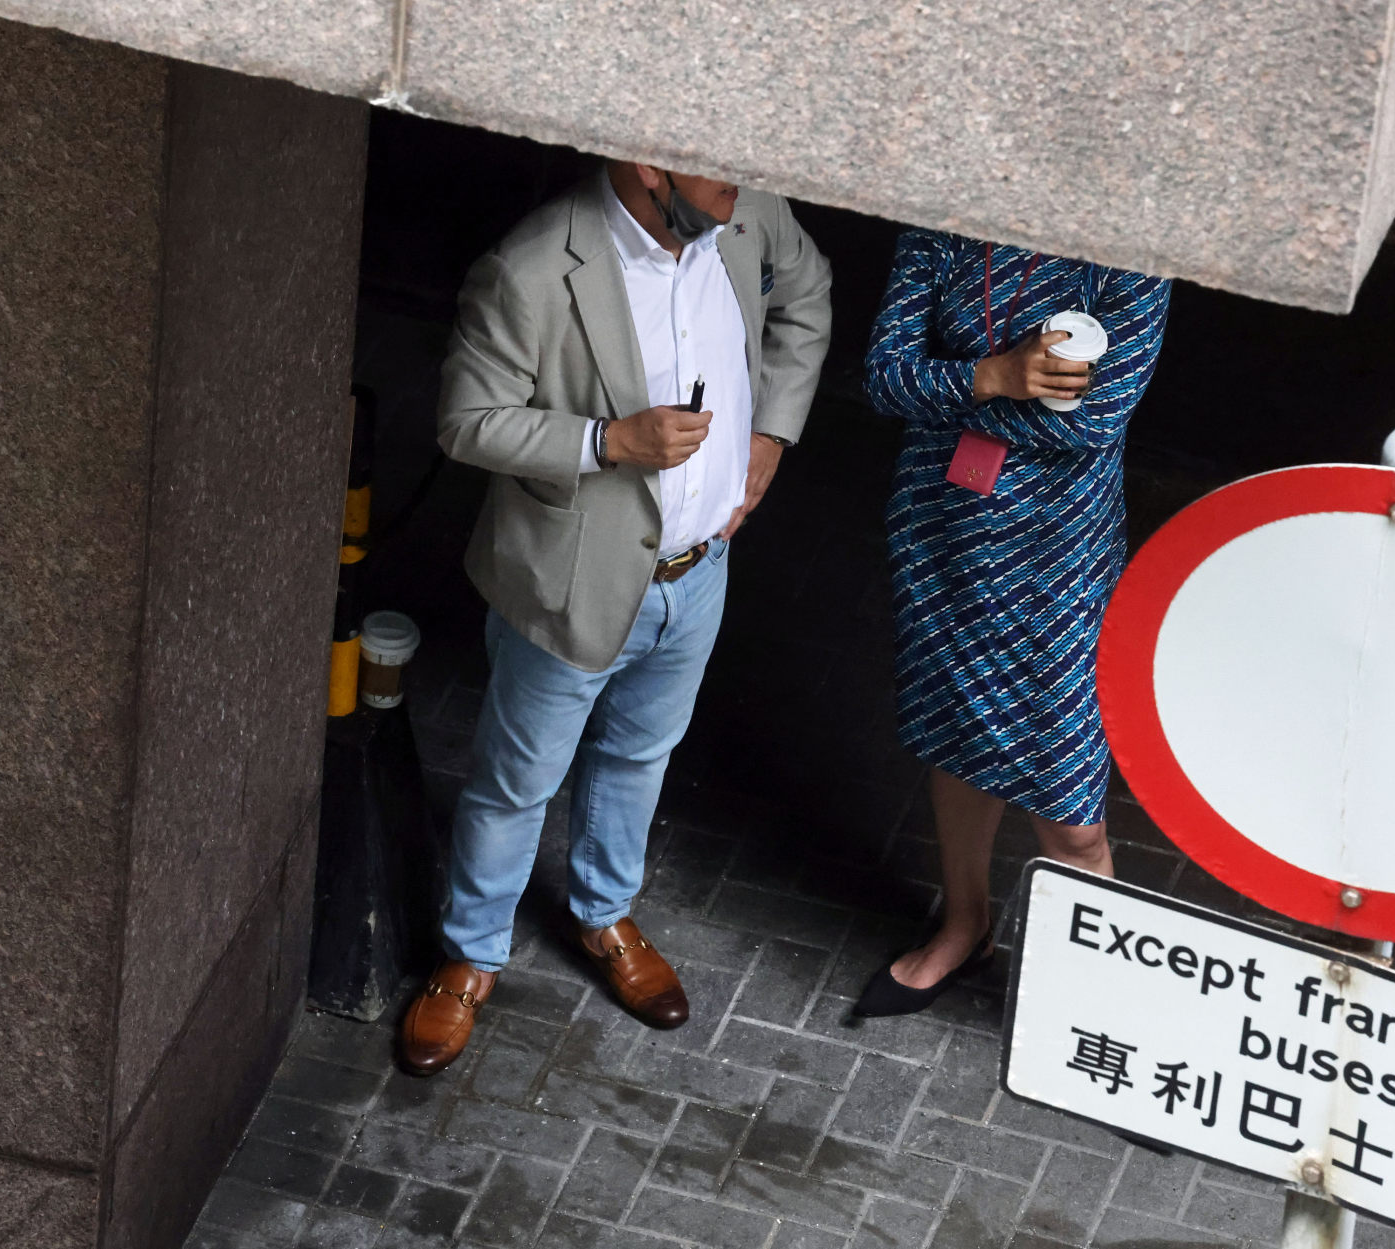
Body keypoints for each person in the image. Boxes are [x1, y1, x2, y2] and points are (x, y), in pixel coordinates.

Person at [397, 162, 833, 1075]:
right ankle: (470, 955)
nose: (744, 183)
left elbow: (808, 289)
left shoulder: (748, 213)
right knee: (516, 782)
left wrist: (771, 433)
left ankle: (602, 915)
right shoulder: (530, 265)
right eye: (719, 168)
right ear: (647, 167)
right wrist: (607, 442)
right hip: (571, 578)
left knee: (639, 755)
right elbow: (466, 420)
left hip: (699, 569)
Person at [853, 230, 1170, 1017]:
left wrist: (955, 394)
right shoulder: (942, 226)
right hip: (940, 532)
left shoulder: (1133, 253)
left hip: (1051, 562)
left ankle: (1093, 998)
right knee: (952, 735)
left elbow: (1094, 421)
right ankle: (965, 925)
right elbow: (884, 379)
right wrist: (995, 375)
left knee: (1068, 808)